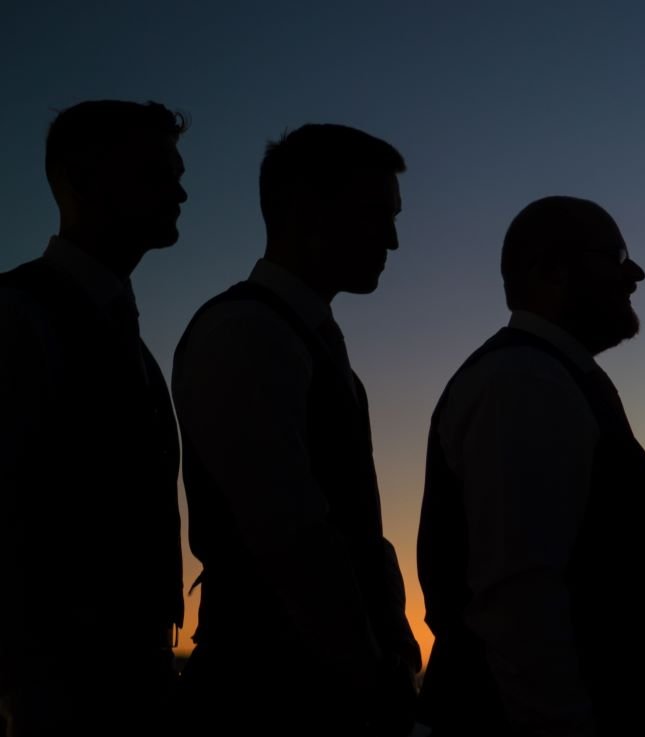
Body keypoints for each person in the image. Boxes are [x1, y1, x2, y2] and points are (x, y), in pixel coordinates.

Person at [171, 124, 418, 737]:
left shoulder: (307, 341)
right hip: (271, 693)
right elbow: (291, 534)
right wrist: (365, 673)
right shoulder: (247, 334)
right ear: (306, 209)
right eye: (374, 214)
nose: (392, 238)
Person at [417, 197, 645, 737]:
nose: (634, 273)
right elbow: (518, 598)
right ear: (549, 272)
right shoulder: (523, 381)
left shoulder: (553, 376)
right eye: (615, 256)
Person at [0, 101, 188, 735]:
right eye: (157, 175)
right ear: (81, 181)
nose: (181, 191)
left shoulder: (134, 348)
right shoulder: (16, 318)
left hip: (133, 683)